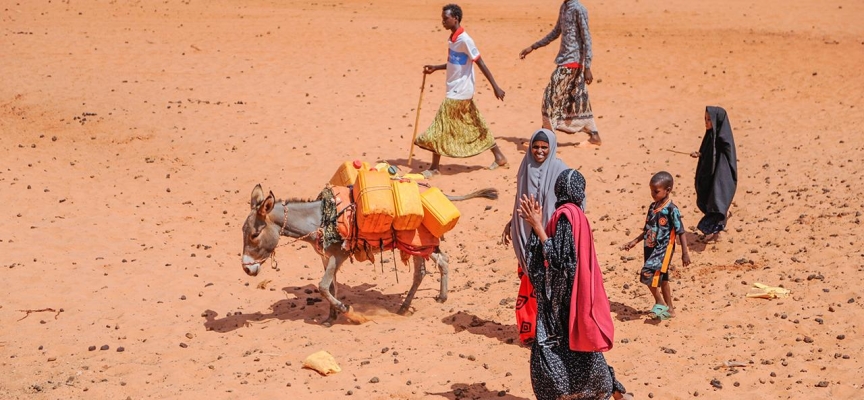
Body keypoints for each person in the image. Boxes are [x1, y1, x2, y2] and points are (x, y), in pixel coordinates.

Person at [517, 169, 631, 400]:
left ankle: (588, 392)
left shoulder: (565, 218)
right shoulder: (577, 215)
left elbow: (559, 261)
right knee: (582, 347)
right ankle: (613, 390)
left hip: (561, 302)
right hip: (574, 297)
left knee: (550, 354)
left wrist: (537, 226)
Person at [415, 3, 508, 178]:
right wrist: (436, 67)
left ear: (455, 18)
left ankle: (435, 167)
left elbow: (480, 62)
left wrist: (495, 87)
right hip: (455, 89)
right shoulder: (452, 38)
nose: (443, 21)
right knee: (474, 122)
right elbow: (454, 64)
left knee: (440, 126)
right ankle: (499, 156)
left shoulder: (465, 40)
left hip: (460, 91)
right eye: (442, 18)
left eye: (446, 18)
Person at [501, 128, 569, 345]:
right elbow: (519, 198)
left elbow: (573, 202)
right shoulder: (525, 167)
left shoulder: (561, 170)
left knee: (551, 286)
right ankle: (529, 332)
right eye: (536, 147)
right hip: (527, 236)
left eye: (544, 147)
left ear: (551, 148)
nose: (539, 151)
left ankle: (551, 332)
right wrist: (512, 222)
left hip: (548, 235)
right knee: (529, 285)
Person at [519, 0, 601, 147]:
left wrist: (587, 66)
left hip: (572, 62)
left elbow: (587, 38)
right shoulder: (564, 7)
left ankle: (547, 139)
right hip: (564, 60)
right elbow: (556, 31)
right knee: (575, 99)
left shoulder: (579, 9)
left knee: (550, 97)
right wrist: (533, 47)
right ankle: (594, 135)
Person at [621, 171, 691, 320]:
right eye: (651, 190)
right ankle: (670, 309)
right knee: (663, 278)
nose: (653, 194)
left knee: (646, 273)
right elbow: (647, 229)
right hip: (650, 247)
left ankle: (659, 301)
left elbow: (681, 231)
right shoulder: (653, 207)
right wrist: (634, 241)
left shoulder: (672, 209)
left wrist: (685, 252)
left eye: (656, 191)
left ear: (668, 190)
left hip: (663, 249)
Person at [690, 106, 737, 241]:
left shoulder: (723, 140)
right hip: (709, 177)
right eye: (705, 119)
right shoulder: (710, 135)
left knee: (716, 203)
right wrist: (699, 154)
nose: (706, 122)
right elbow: (709, 153)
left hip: (719, 178)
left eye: (710, 120)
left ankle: (714, 233)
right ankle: (716, 229)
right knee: (707, 200)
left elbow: (721, 158)